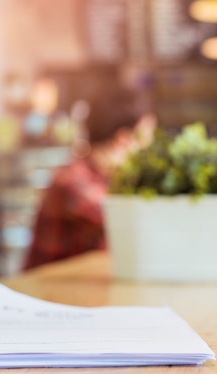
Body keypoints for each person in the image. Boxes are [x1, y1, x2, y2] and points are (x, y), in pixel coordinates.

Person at [23, 85, 155, 270]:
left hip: (78, 291)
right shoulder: (72, 179)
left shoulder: (108, 178)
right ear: (123, 139)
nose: (149, 147)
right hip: (47, 294)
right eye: (147, 138)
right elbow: (127, 224)